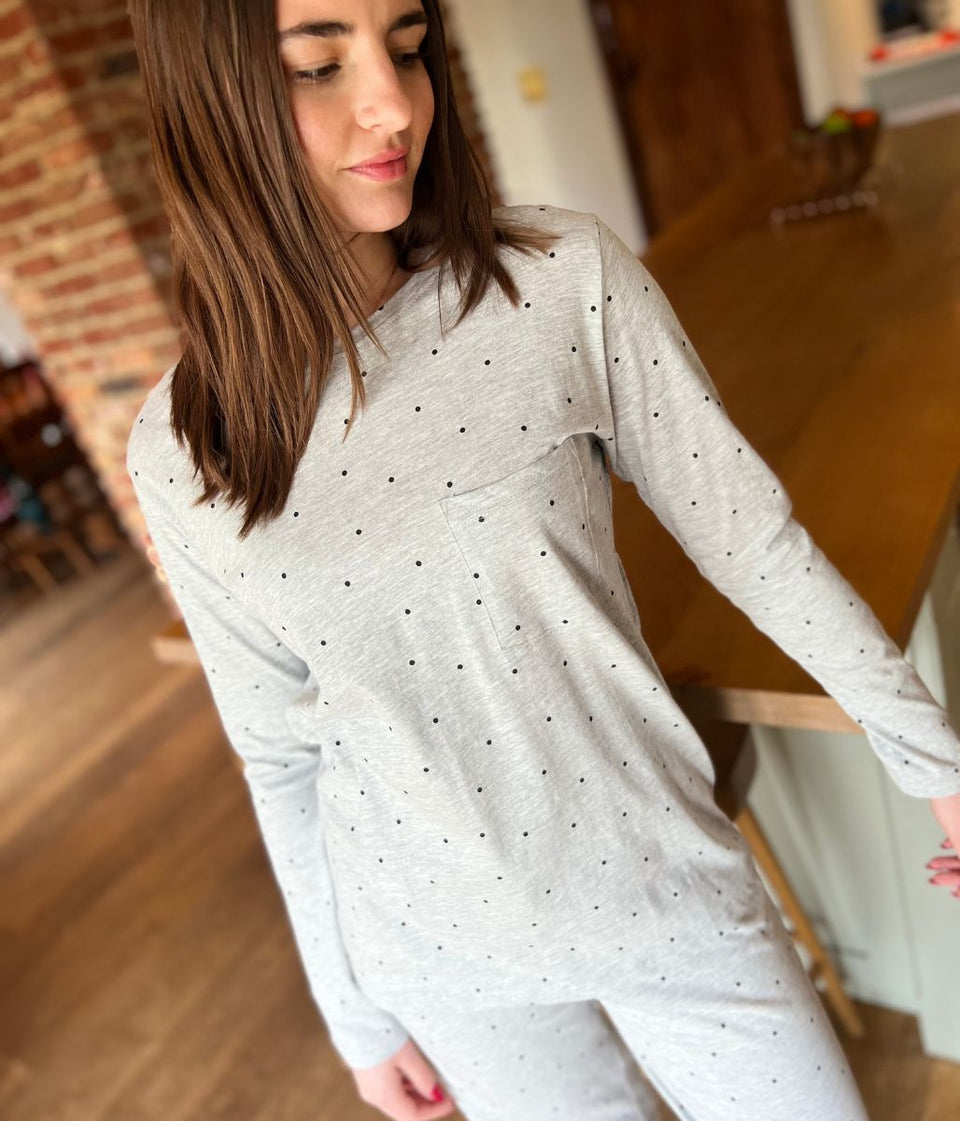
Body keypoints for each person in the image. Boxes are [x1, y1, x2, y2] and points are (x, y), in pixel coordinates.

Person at [124, 2, 960, 1119]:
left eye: (409, 49)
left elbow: (750, 538)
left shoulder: (559, 280)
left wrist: (939, 766)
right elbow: (280, 752)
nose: (394, 105)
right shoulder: (181, 447)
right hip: (438, 955)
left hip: (664, 886)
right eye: (318, 65)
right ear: (210, 104)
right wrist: (357, 1016)